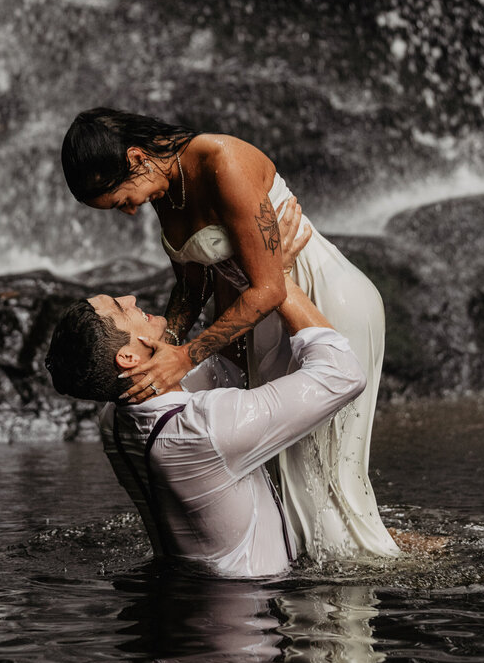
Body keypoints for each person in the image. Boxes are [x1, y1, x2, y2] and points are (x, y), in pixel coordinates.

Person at [61, 107, 399, 560]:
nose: (129, 211)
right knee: (282, 469)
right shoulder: (164, 186)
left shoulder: (224, 162)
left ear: (138, 158)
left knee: (322, 471)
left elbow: (270, 286)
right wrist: (164, 349)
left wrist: (184, 357)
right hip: (261, 316)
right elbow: (191, 285)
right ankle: (309, 577)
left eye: (123, 199)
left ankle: (362, 574)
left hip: (320, 301)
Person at [44, 215, 366, 579]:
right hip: (254, 614)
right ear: (128, 358)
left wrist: (234, 272)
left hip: (196, 603)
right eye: (121, 309)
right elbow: (344, 373)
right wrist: (276, 280)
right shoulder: (203, 429)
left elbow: (226, 367)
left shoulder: (115, 418)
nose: (131, 297)